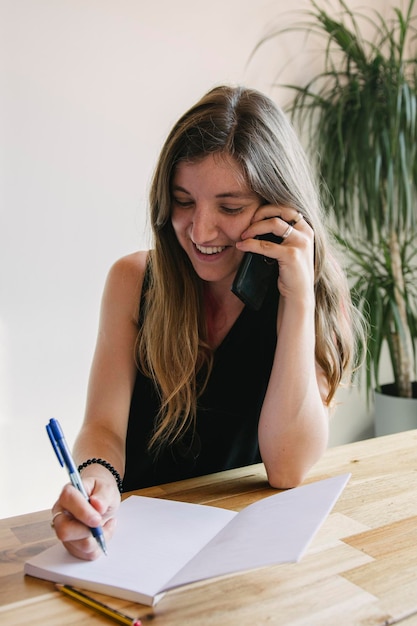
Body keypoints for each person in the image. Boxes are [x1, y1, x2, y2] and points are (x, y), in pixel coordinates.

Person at [50, 84, 363, 560]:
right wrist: (95, 481)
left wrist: (297, 298)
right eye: (182, 200)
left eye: (231, 208)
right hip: (132, 548)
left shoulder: (314, 298)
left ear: (280, 209)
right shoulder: (133, 281)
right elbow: (104, 428)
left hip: (244, 554)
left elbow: (288, 469)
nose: (200, 231)